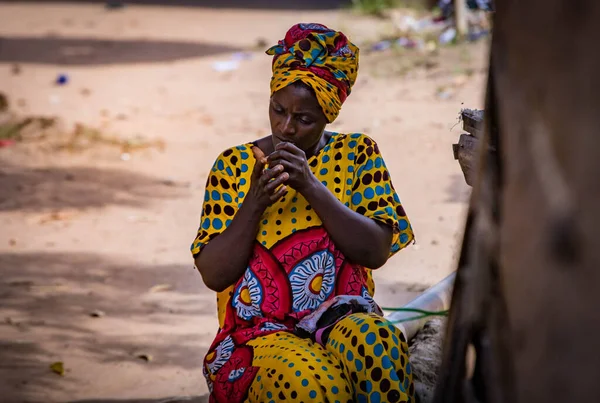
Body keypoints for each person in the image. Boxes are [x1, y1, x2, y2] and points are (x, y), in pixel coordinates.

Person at [192, 23, 415, 403]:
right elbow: (214, 274)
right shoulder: (235, 165)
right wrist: (256, 200)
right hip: (259, 332)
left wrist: (312, 186)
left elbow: (375, 251)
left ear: (329, 115)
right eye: (278, 110)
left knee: (380, 345)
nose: (286, 128)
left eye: (305, 119)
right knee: (310, 383)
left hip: (343, 315)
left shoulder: (358, 154)